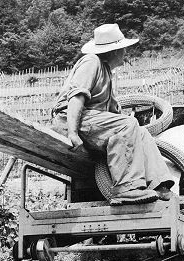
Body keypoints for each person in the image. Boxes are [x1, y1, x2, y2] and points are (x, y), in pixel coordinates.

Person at [51, 23, 174, 206]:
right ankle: (126, 188)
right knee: (128, 125)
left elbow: (112, 113)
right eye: (123, 50)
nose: (125, 54)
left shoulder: (106, 72)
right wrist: (72, 133)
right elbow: (76, 98)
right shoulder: (91, 62)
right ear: (114, 51)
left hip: (89, 120)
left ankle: (159, 184)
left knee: (140, 132)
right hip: (68, 119)